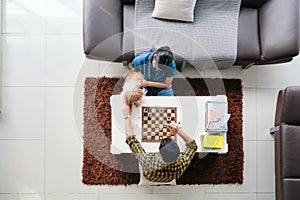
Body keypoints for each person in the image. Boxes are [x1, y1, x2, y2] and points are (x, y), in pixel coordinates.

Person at [122, 104, 198, 183]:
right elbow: (193, 146)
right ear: (178, 154)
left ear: (160, 153)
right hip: (169, 177)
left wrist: (126, 116)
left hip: (150, 176)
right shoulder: (181, 164)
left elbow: (130, 139)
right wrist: (178, 131)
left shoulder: (147, 160)